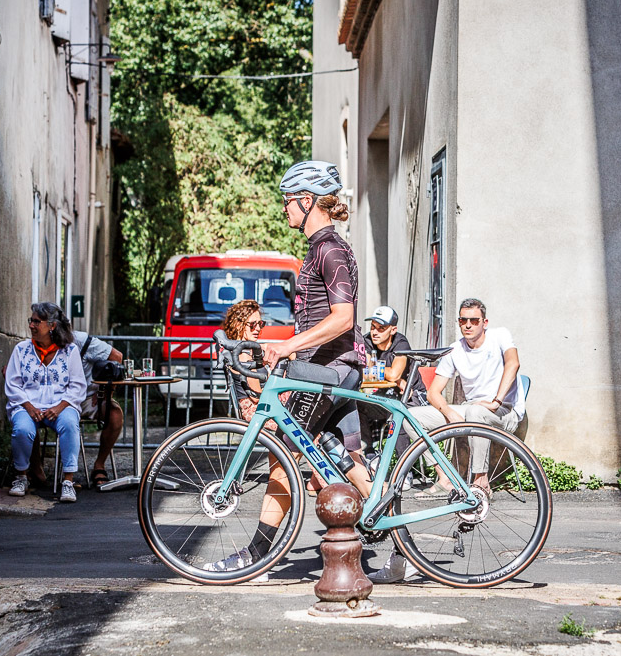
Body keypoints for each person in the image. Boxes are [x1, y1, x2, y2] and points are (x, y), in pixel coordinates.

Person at [203, 160, 374, 574]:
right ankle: (399, 542)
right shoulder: (321, 248)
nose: (284, 208)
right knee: (340, 457)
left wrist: (286, 348)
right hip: (329, 368)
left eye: (287, 200)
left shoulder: (329, 249)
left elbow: (343, 318)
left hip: (327, 370)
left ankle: (257, 554)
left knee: (283, 453)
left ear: (307, 200)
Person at [368, 297, 526, 583]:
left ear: (484, 323)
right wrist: (449, 413)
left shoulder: (500, 335)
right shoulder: (455, 349)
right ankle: (445, 476)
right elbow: (434, 393)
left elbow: (513, 364)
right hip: (469, 409)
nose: (467, 325)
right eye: (463, 320)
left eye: (473, 320)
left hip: (503, 410)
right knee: (411, 416)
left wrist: (497, 399)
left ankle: (480, 482)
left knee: (477, 412)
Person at [4, 302, 88, 502]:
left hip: (62, 405)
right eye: (31, 321)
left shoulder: (70, 351)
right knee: (22, 429)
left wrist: (59, 407)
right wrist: (28, 406)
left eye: (36, 322)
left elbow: (77, 386)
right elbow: (12, 384)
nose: (31, 325)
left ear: (52, 326)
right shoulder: (21, 349)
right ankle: (22, 476)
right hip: (27, 405)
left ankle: (68, 481)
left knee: (69, 424)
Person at [356, 305, 429, 456]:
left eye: (381, 328)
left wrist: (392, 377)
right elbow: (364, 370)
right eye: (373, 327)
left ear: (393, 330)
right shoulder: (367, 340)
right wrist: (395, 380)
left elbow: (394, 374)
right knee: (356, 404)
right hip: (387, 396)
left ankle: (404, 471)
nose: (375, 332)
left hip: (412, 396)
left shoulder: (401, 343)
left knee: (398, 415)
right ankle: (369, 455)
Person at [71, 330, 125, 486]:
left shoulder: (81, 340)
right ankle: (35, 470)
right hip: (57, 398)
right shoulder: (40, 342)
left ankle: (99, 464)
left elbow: (116, 357)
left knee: (115, 414)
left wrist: (105, 392)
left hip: (88, 399)